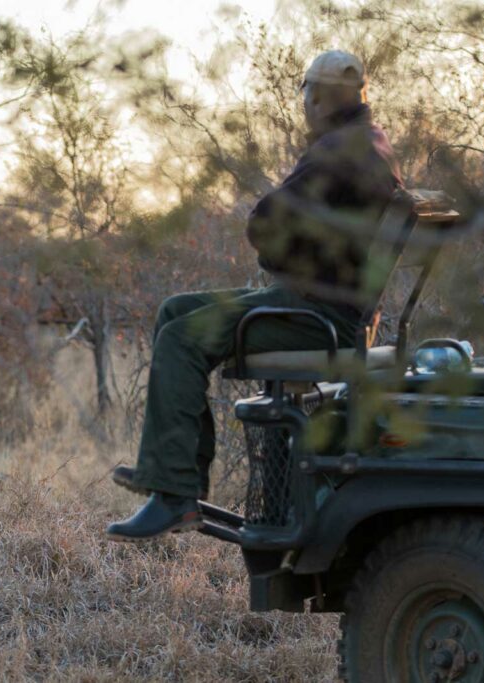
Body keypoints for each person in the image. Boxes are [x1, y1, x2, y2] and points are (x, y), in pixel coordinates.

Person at [106, 50, 403, 542]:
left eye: (307, 94)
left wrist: (281, 257)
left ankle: (175, 494)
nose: (304, 105)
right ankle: (173, 473)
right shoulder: (372, 142)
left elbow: (264, 225)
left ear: (320, 99)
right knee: (175, 310)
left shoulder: (338, 151)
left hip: (320, 314)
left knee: (182, 337)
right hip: (331, 305)